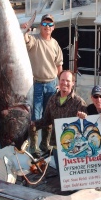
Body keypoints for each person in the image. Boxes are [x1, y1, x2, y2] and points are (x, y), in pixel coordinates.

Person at [24, 14, 63, 155]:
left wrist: (61, 82)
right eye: (45, 24)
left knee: (49, 116)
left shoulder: (55, 44)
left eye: (50, 25)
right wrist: (25, 31)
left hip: (52, 85)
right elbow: (25, 41)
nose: (47, 27)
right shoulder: (34, 39)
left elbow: (59, 65)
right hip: (36, 85)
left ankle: (45, 144)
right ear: (40, 26)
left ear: (53, 28)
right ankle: (33, 147)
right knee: (35, 116)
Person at [33, 70, 87, 165]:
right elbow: (46, 120)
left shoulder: (79, 102)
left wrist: (84, 117)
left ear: (73, 83)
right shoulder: (52, 99)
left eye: (68, 81)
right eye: (62, 80)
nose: (64, 83)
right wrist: (33, 125)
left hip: (74, 148)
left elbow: (87, 125)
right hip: (56, 146)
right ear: (59, 81)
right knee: (61, 176)